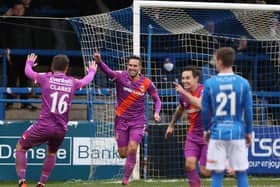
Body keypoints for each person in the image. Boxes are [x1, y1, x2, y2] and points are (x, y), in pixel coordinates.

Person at [16, 53, 97, 187]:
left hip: (44, 126)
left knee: (21, 147)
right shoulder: (73, 82)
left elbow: (28, 72)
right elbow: (86, 81)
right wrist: (92, 71)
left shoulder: (45, 78)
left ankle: (22, 182)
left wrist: (29, 63)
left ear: (52, 66)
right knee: (52, 152)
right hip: (61, 129)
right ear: (67, 68)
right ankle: (41, 183)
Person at [93, 49, 161, 185]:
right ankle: (127, 171)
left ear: (140, 68)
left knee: (133, 147)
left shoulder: (147, 83)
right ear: (127, 66)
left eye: (135, 66)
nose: (132, 68)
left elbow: (157, 99)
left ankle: (125, 179)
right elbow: (108, 72)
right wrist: (99, 61)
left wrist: (156, 112)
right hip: (121, 121)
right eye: (130, 65)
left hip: (138, 121)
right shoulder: (120, 76)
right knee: (123, 153)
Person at [202, 47, 253, 187]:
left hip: (217, 132)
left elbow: (205, 111)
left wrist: (206, 131)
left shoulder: (210, 83)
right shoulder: (243, 83)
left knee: (217, 174)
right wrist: (249, 132)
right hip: (237, 131)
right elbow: (248, 111)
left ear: (219, 61)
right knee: (241, 173)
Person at [165, 66, 211, 187]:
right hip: (193, 135)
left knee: (205, 171)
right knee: (189, 164)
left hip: (209, 135)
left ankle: (223, 163)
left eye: (188, 78)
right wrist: (171, 125)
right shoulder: (183, 95)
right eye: (183, 78)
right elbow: (180, 109)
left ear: (196, 78)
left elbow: (201, 105)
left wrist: (183, 92)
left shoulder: (204, 90)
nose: (184, 81)